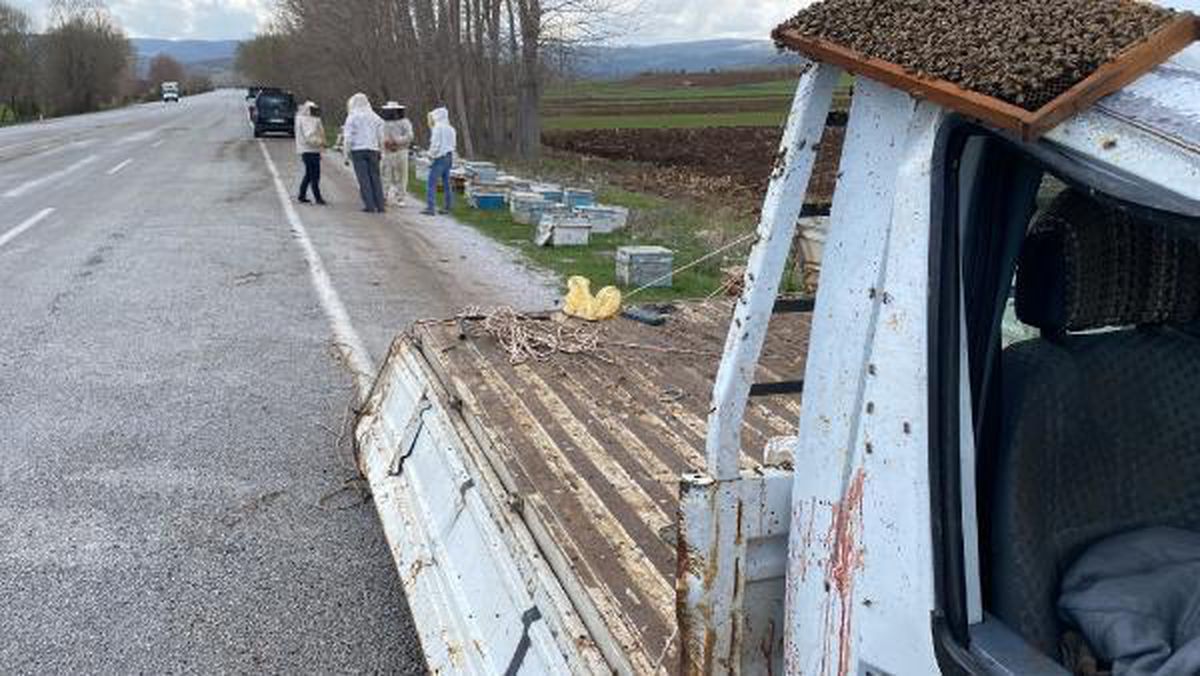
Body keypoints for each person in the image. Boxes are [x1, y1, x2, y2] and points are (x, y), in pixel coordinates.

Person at [343, 93, 386, 213]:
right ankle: (380, 205)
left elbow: (348, 138)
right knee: (376, 178)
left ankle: (370, 205)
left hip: (358, 150)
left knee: (364, 179)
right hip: (373, 150)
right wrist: (382, 151)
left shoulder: (352, 117)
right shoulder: (376, 117)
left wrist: (345, 154)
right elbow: (381, 137)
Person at [423, 106, 457, 216]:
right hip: (449, 157)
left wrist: (430, 155)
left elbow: (435, 144)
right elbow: (453, 145)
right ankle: (448, 207)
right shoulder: (451, 128)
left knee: (431, 183)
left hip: (439, 158)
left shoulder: (438, 128)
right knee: (447, 183)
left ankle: (430, 208)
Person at [380, 102, 414, 206]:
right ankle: (384, 196)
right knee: (386, 174)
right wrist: (385, 142)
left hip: (401, 151)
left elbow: (410, 136)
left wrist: (396, 141)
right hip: (388, 152)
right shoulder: (384, 123)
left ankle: (400, 197)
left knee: (402, 175)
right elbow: (381, 136)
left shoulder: (405, 122)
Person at [295, 101, 327, 205]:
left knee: (309, 174)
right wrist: (321, 142)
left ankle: (302, 195)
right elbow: (310, 137)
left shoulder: (302, 119)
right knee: (315, 175)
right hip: (310, 150)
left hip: (310, 150)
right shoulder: (306, 120)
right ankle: (318, 198)